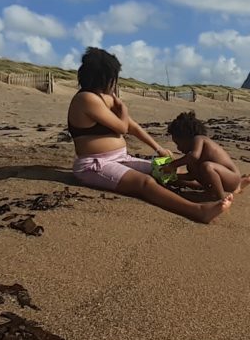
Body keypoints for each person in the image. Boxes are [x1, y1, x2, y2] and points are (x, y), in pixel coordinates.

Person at [67, 48, 231, 223]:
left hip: (120, 157)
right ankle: (198, 210)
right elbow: (123, 127)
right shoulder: (85, 99)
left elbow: (133, 127)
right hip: (94, 164)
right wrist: (124, 110)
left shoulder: (105, 97)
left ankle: (214, 188)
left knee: (163, 171)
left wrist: (158, 148)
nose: (114, 83)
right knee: (144, 183)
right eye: (113, 78)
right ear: (104, 77)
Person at [162, 111, 250, 201]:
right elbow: (192, 176)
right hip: (224, 179)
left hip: (232, 177)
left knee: (207, 166)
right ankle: (229, 189)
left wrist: (172, 165)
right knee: (195, 166)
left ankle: (219, 197)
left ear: (187, 137)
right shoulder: (192, 161)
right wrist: (173, 177)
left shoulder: (199, 139)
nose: (178, 148)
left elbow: (194, 156)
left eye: (178, 143)